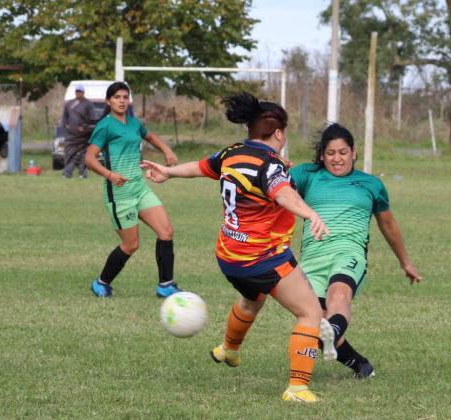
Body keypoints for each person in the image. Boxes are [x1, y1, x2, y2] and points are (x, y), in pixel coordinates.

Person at [140, 92, 334, 403]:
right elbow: (283, 194)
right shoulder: (270, 165)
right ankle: (297, 388)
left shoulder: (233, 153)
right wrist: (311, 213)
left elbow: (202, 167)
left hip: (230, 257)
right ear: (279, 133)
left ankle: (229, 349)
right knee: (310, 312)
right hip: (263, 258)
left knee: (251, 299)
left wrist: (168, 172)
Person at [289, 123, 422, 379]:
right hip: (311, 260)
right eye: (330, 153)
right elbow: (274, 187)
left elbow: (389, 225)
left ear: (354, 153)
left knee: (339, 294)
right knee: (316, 320)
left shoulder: (371, 185)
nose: (337, 158)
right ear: (321, 155)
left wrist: (405, 262)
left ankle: (331, 334)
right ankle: (361, 365)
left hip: (348, 254)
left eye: (342, 152)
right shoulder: (307, 175)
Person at [84, 82, 182, 298]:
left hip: (140, 188)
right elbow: (89, 158)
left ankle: (165, 284)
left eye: (125, 97)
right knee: (131, 245)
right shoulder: (105, 126)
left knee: (166, 232)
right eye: (117, 97)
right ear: (109, 101)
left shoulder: (133, 123)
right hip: (119, 194)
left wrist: (167, 150)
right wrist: (110, 175)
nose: (122, 100)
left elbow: (151, 136)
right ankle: (101, 283)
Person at [62, 84, 96, 178]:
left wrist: (85, 128)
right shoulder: (69, 103)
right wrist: (66, 126)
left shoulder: (88, 104)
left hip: (83, 135)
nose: (78, 93)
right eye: (77, 91)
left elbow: (92, 119)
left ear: (83, 92)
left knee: (83, 154)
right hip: (71, 135)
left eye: (80, 91)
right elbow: (64, 117)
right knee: (69, 153)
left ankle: (83, 173)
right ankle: (67, 173)